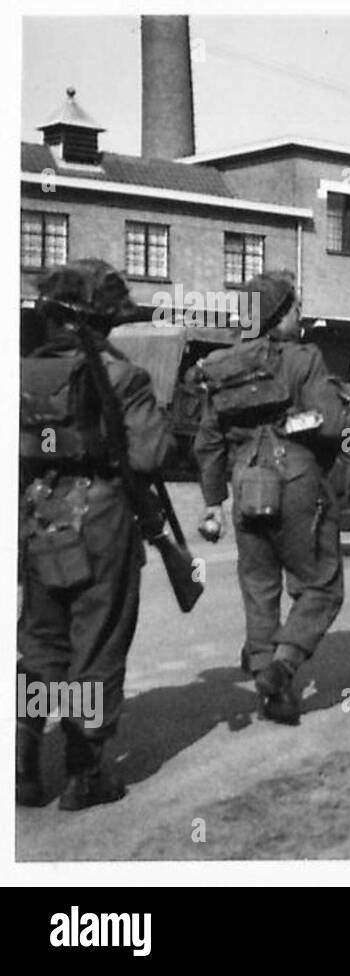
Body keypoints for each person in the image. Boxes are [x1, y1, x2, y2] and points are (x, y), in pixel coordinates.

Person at [18, 259, 175, 809]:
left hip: (36, 511)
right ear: (103, 319)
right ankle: (85, 773)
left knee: (41, 636)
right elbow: (151, 454)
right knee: (97, 638)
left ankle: (24, 758)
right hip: (101, 516)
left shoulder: (18, 371)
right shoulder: (122, 376)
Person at [194, 270, 349, 726]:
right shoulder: (305, 359)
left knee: (259, 586)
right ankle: (282, 667)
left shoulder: (223, 366)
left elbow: (207, 441)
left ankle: (268, 682)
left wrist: (211, 502)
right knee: (321, 584)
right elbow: (332, 423)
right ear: (276, 317)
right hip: (296, 475)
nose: (300, 318)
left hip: (245, 480)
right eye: (294, 309)